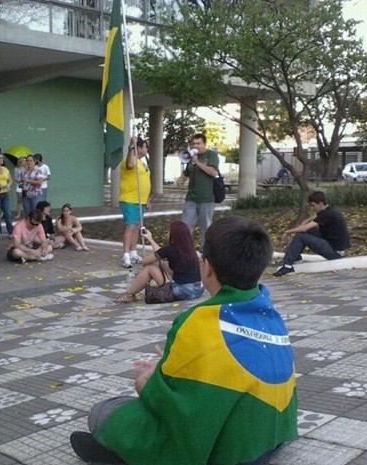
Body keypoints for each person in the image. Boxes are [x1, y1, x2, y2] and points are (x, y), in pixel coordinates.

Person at [71, 216, 298, 465]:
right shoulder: (271, 314)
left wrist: (148, 383)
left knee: (104, 412)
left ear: (207, 267)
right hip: (271, 438)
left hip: (225, 452)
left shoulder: (197, 320)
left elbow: (173, 409)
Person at [114, 221, 204, 303]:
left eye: (169, 231)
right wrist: (151, 240)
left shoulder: (170, 249)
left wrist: (150, 243)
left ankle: (128, 295)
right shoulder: (189, 249)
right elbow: (162, 255)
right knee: (164, 263)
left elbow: (145, 262)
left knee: (150, 267)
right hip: (198, 290)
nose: (168, 233)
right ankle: (129, 295)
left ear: (174, 234)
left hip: (183, 291)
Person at [273, 191, 350, 277]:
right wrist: (305, 221)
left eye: (313, 205)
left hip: (335, 253)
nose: (312, 208)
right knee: (309, 230)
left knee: (301, 236)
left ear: (320, 204)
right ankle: (296, 258)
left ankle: (287, 267)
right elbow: (314, 219)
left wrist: (287, 232)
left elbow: (304, 228)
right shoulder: (329, 210)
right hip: (331, 245)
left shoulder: (327, 214)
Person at [175, 133, 220, 248]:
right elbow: (186, 173)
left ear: (204, 144)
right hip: (191, 198)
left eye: (198, 143)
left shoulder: (211, 155)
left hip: (206, 198)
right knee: (185, 227)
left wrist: (197, 162)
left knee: (206, 228)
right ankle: (185, 252)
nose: (196, 146)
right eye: (193, 143)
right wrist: (181, 180)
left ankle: (205, 254)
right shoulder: (190, 157)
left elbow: (213, 172)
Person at [118, 136, 151, 268]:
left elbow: (145, 181)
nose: (147, 150)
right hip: (130, 200)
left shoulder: (142, 163)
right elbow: (129, 165)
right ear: (139, 148)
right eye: (145, 147)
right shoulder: (129, 160)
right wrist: (131, 146)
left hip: (141, 201)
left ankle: (133, 252)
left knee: (137, 227)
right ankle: (125, 256)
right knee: (130, 227)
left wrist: (147, 198)